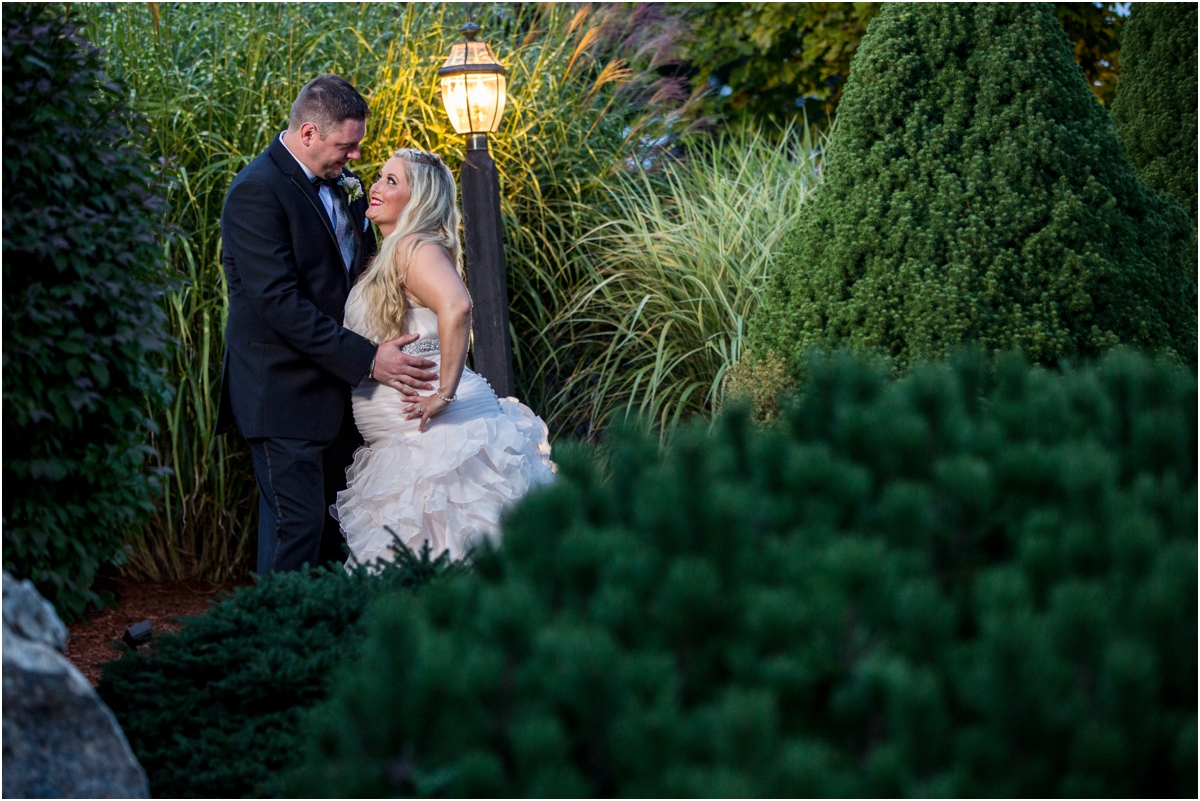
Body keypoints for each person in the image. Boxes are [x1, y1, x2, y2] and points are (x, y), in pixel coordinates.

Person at [216, 75, 440, 574]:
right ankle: (279, 646)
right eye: (347, 145)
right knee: (296, 530)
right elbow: (279, 303)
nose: (355, 158)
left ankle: (326, 645)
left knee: (339, 532)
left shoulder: (342, 185)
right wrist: (368, 359)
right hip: (283, 395)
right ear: (310, 134)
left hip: (341, 396)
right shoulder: (256, 192)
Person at [333, 148, 554, 565]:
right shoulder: (394, 252)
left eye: (392, 181)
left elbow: (458, 306)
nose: (376, 187)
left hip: (439, 442)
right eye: (379, 177)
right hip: (407, 444)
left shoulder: (412, 248)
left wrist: (442, 395)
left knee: (453, 561)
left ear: (418, 200)